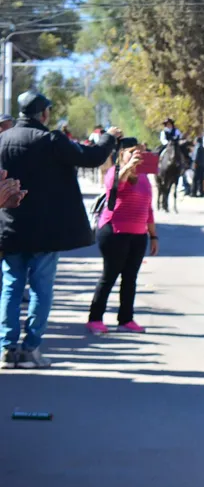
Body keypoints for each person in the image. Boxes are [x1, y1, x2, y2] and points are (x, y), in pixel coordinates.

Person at [0, 91, 119, 368]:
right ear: (44, 114)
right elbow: (91, 157)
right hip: (45, 231)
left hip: (9, 227)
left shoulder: (3, 139)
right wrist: (108, 138)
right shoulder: (50, 140)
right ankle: (30, 349)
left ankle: (6, 348)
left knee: (10, 286)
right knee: (41, 289)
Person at [86, 139, 159, 334]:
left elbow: (148, 208)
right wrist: (128, 167)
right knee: (109, 276)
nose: (136, 155)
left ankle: (126, 319)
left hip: (138, 234)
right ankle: (95, 319)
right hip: (114, 232)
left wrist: (153, 236)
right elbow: (115, 187)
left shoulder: (144, 177)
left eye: (140, 152)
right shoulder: (114, 172)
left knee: (130, 278)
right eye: (132, 152)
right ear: (122, 154)